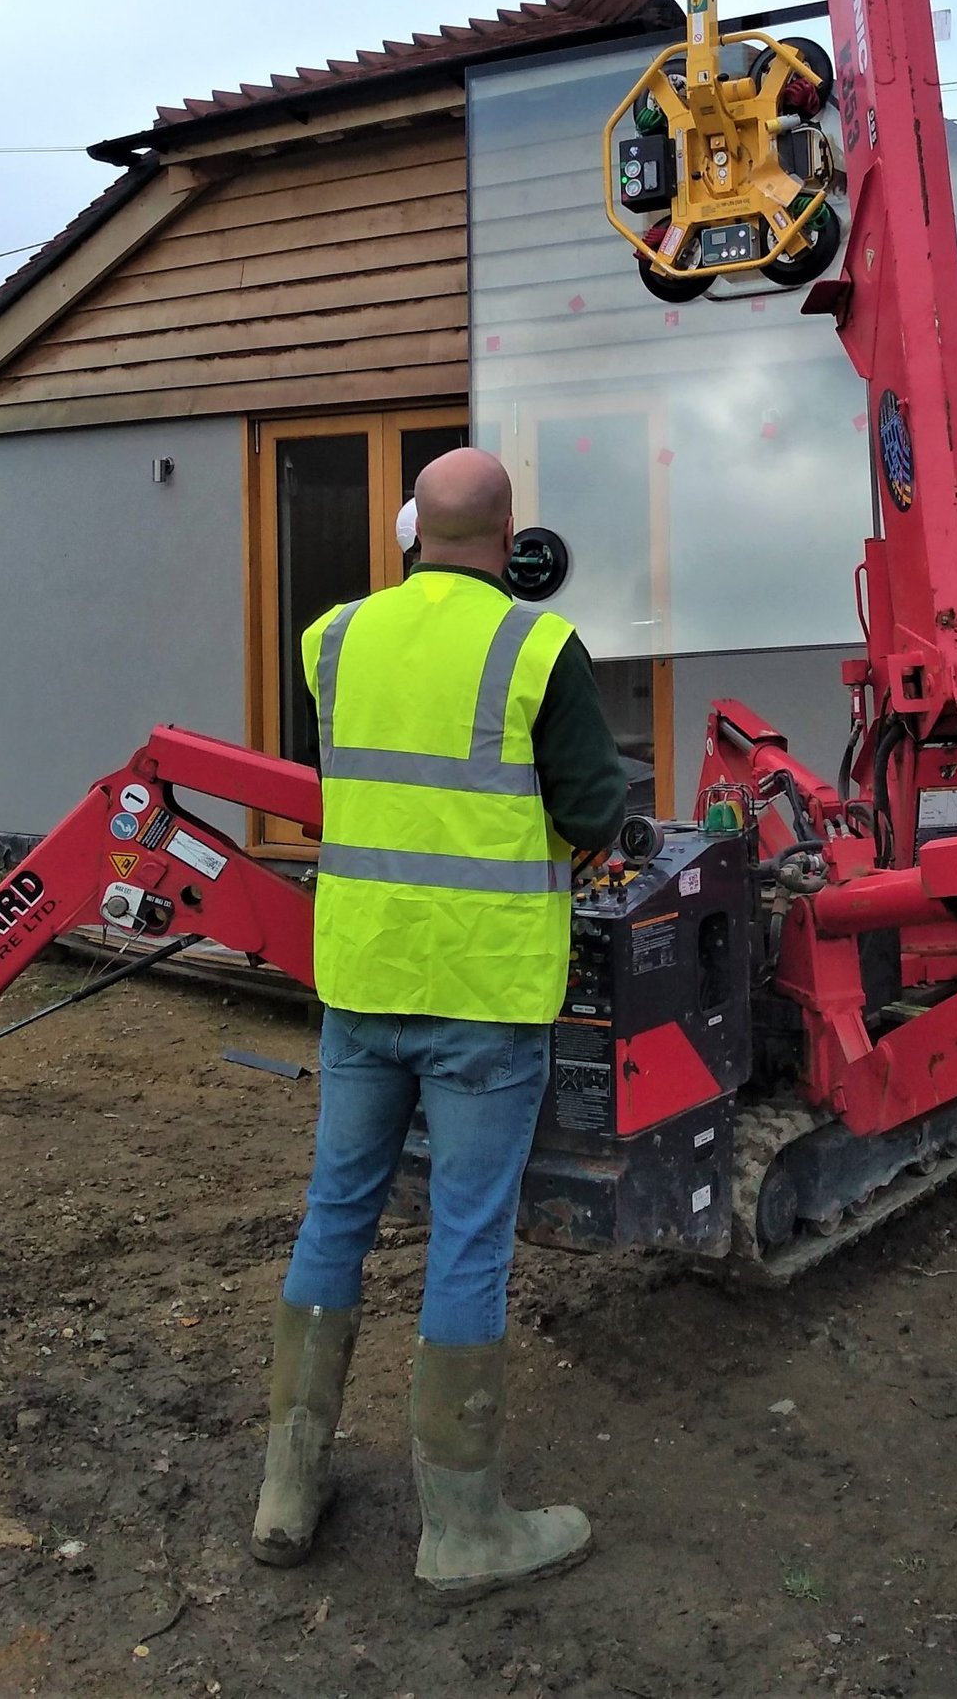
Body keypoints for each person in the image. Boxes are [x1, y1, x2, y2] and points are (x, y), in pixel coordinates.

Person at [253, 447, 626, 1588]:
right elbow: (590, 814)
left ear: (413, 529)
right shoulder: (539, 648)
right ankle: (461, 1529)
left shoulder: (332, 638)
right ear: (511, 534)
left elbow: (355, 780)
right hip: (483, 996)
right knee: (467, 1238)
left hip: (362, 981)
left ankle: (287, 1488)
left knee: (334, 1217)